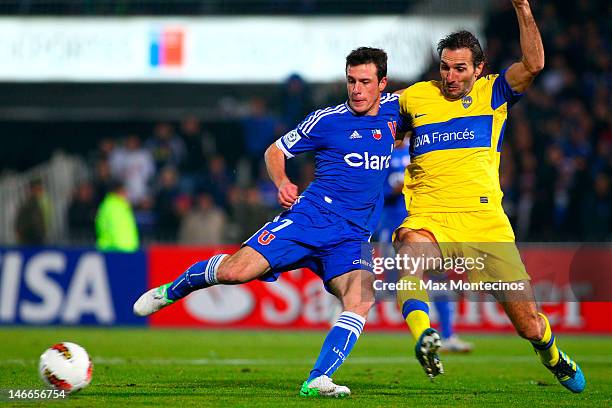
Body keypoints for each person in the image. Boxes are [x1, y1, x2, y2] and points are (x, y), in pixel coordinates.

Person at [133, 47, 408, 397]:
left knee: (360, 299)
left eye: (365, 82)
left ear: (381, 84)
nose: (356, 89)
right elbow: (274, 151)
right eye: (351, 81)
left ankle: (317, 379)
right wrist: (282, 182)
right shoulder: (326, 120)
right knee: (235, 272)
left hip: (352, 236)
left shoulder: (396, 112)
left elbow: (434, 96)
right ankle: (170, 291)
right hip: (310, 218)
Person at [393, 0, 585, 393]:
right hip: (430, 217)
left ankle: (551, 354)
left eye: (460, 68)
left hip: (486, 224)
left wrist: (523, 8)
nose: (450, 76)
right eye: (445, 66)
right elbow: (372, 117)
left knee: (528, 323)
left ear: (478, 68)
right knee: (409, 254)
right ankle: (424, 336)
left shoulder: (493, 91)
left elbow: (533, 65)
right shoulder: (415, 97)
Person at [376, 139, 473, 353]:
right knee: (393, 285)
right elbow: (373, 194)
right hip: (394, 229)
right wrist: (393, 190)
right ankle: (346, 314)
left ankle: (448, 335)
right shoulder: (380, 153)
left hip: (423, 225)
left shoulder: (420, 149)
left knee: (439, 278)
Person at [95, 180, 139, 252]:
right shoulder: (113, 206)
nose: (127, 194)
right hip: (116, 250)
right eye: (124, 191)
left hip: (124, 249)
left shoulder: (118, 205)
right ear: (119, 191)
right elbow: (114, 229)